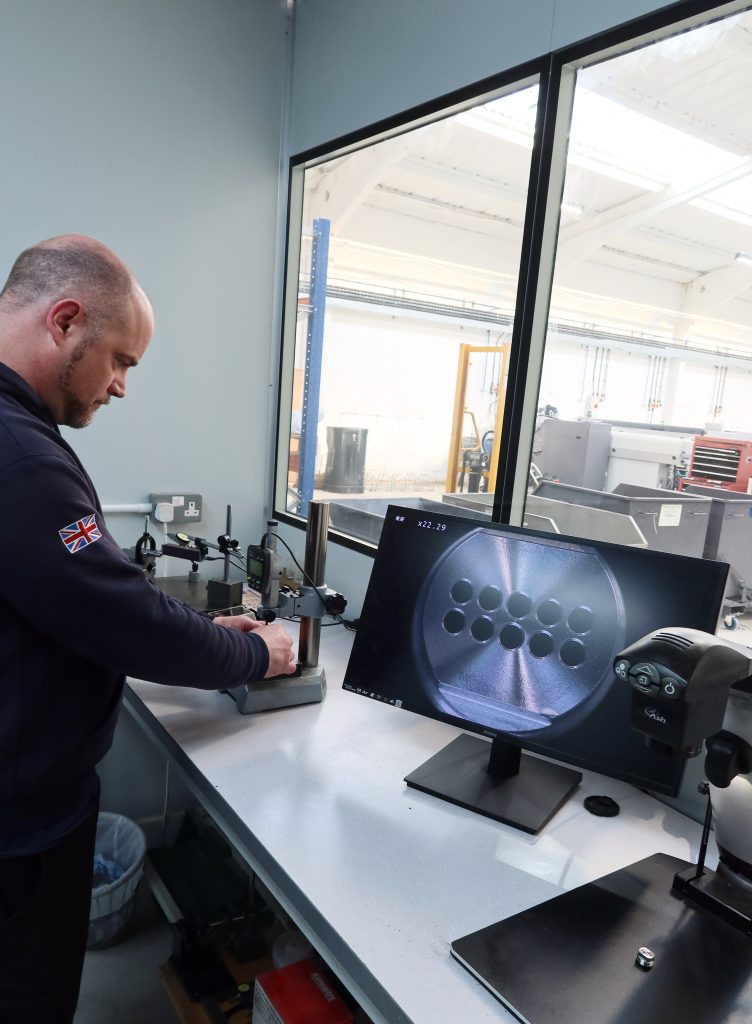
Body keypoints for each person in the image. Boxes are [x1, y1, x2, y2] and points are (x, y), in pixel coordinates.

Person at [0, 235, 296, 1023]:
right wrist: (253, 651)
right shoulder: (22, 459)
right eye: (122, 361)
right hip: (20, 830)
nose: (123, 386)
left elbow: (82, 592)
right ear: (64, 321)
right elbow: (125, 619)